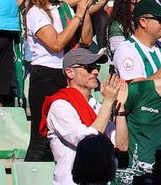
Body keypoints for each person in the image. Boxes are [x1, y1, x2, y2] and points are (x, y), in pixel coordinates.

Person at [23, 0, 98, 162]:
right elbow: (56, 44)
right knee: (40, 140)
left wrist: (86, 9)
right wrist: (78, 14)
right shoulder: (36, 12)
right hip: (45, 75)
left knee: (57, 139)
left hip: (64, 73)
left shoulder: (63, 8)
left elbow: (87, 40)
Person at [41, 49, 127, 185]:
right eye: (89, 68)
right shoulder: (60, 105)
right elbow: (88, 142)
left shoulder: (96, 105)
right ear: (70, 72)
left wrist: (120, 106)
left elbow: (121, 146)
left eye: (96, 67)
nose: (96, 72)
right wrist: (108, 102)